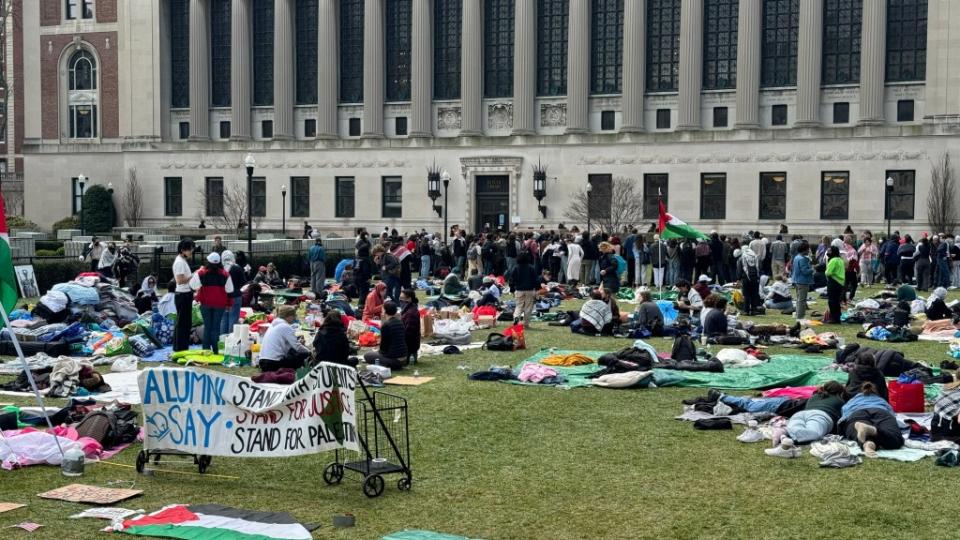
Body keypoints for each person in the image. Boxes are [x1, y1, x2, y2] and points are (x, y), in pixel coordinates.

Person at [766, 381, 847, 458]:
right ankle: (786, 441)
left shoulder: (815, 396)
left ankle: (784, 433)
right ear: (840, 391)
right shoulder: (840, 401)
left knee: (796, 428)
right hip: (820, 416)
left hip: (800, 414)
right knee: (813, 433)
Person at [839, 382, 903, 456]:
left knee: (855, 432)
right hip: (880, 411)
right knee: (895, 439)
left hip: (857, 413)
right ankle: (872, 432)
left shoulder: (851, 401)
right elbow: (892, 415)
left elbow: (844, 416)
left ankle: (868, 443)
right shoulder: (882, 400)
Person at [189, 252, 234, 353]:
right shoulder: (225, 274)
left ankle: (205, 349)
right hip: (220, 305)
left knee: (207, 326)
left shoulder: (201, 273)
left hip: (205, 304)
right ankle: (216, 350)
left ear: (208, 261)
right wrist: (229, 304)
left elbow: (192, 285)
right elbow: (230, 291)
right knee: (216, 327)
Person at [259, 305, 312, 372]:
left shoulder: (274, 324)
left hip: (263, 361)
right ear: (289, 316)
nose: (295, 318)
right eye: (294, 316)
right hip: (273, 363)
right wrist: (309, 351)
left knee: (294, 353)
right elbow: (297, 347)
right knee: (304, 355)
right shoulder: (285, 326)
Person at [363, 302, 409, 370]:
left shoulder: (386, 325)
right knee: (375, 354)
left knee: (367, 355)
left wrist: (378, 352)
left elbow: (384, 347)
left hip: (394, 360)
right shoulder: (400, 322)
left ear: (384, 311)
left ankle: (387, 364)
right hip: (404, 357)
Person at [172, 239, 195, 352]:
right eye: (190, 249)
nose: (191, 251)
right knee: (183, 323)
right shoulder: (180, 262)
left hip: (185, 294)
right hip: (183, 294)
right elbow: (180, 280)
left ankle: (181, 346)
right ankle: (180, 347)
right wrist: (193, 275)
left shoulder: (181, 261)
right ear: (183, 250)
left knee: (184, 322)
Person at [509, 252, 539, 328]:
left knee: (519, 306)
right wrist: (537, 289)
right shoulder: (531, 267)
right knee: (528, 307)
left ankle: (516, 317)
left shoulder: (516, 268)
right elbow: (536, 279)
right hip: (529, 290)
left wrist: (512, 289)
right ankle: (526, 324)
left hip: (519, 290)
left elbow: (511, 280)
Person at [221, 250, 245, 335]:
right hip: (235, 296)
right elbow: (243, 282)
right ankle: (231, 340)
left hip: (222, 297)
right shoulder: (237, 268)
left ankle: (222, 340)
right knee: (233, 319)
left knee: (223, 319)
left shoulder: (220, 269)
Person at [791, 241, 814, 320]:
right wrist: (812, 269)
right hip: (803, 281)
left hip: (797, 280)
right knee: (802, 300)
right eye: (808, 249)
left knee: (799, 299)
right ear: (805, 250)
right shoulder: (803, 259)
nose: (809, 251)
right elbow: (805, 271)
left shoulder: (797, 257)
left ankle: (798, 314)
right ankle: (800, 317)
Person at [738, 246, 761, 315]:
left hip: (746, 278)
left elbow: (739, 269)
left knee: (746, 294)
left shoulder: (741, 258)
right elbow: (760, 267)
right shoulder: (755, 257)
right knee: (754, 294)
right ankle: (754, 310)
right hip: (755, 278)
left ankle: (746, 311)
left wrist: (738, 278)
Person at [399, 289, 421, 363]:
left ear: (409, 299)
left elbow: (409, 333)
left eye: (402, 298)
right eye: (400, 298)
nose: (400, 300)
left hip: (409, 347)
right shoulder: (407, 310)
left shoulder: (411, 313)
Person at [825, 246, 845, 324]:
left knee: (832, 301)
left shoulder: (833, 260)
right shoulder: (840, 260)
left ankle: (833, 318)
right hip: (840, 282)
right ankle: (837, 317)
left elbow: (828, 272)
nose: (828, 252)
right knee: (837, 301)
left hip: (834, 281)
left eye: (829, 251)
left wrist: (826, 272)